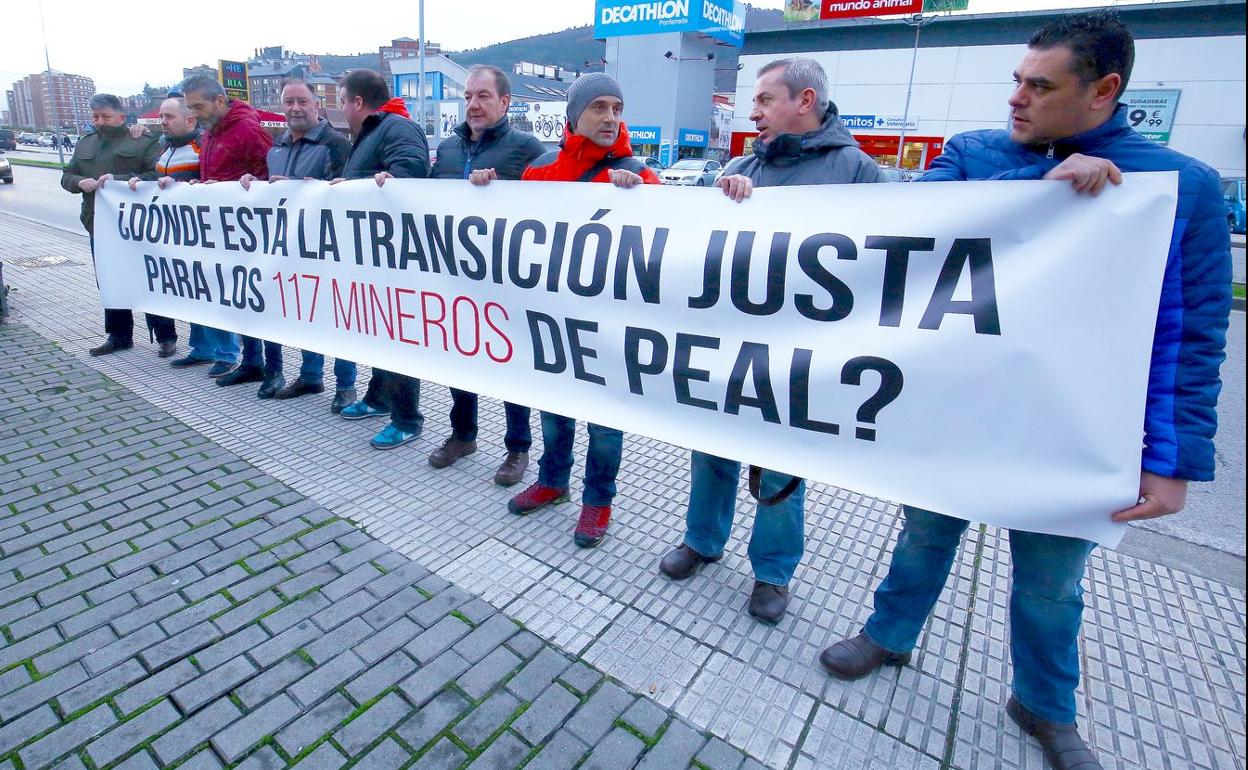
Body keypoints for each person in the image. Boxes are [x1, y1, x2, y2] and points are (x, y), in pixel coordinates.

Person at [817, 13, 1230, 770]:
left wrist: (1174, 462)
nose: (1018, 99)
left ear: (1104, 91)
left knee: (1051, 583)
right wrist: (1036, 189)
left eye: (1041, 86)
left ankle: (1044, 704)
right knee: (924, 536)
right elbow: (914, 228)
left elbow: (1192, 338)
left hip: (1070, 431)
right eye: (1017, 80)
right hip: (954, 416)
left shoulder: (1184, 189)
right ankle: (889, 636)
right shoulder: (973, 153)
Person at [656, 58, 882, 624]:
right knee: (710, 448)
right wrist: (718, 194)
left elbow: (900, 247)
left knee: (782, 467)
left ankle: (772, 573)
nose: (751, 112)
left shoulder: (857, 171)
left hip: (803, 354)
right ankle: (703, 541)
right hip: (732, 343)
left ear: (805, 101)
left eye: (763, 99)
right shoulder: (741, 163)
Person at [492, 72, 660, 548]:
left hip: (609, 329)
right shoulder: (541, 171)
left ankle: (598, 501)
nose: (611, 117)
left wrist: (644, 200)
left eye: (617, 108)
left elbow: (669, 252)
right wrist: (484, 188)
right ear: (573, 116)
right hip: (552, 320)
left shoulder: (638, 174)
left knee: (605, 423)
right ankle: (553, 480)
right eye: (600, 107)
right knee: (554, 410)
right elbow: (509, 230)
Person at [427, 65, 545, 486]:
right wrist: (387, 185)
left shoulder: (527, 147)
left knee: (514, 365)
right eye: (469, 97)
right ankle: (463, 435)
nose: (474, 105)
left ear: (505, 102)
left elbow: (553, 204)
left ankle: (518, 448)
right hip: (458, 278)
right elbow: (424, 198)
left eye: (483, 96)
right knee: (461, 357)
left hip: (508, 281)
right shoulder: (449, 148)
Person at [238, 78, 356, 411]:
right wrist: (254, 184)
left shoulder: (335, 144)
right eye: (288, 102)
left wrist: (300, 188)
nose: (295, 108)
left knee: (337, 320)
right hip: (291, 248)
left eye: (302, 101)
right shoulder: (277, 147)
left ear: (315, 105)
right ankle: (310, 375)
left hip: (328, 249)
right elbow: (273, 190)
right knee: (304, 315)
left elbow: (345, 192)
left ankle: (346, 385)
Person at [332, 70, 431, 449]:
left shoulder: (397, 129)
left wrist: (361, 189)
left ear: (357, 102)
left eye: (342, 101)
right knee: (378, 331)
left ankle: (407, 419)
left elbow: (407, 181)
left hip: (396, 257)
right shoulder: (375, 131)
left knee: (399, 337)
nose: (341, 109)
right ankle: (378, 397)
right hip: (373, 256)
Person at [180, 74, 277, 390]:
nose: (194, 114)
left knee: (254, 300)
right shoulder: (211, 133)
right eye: (190, 108)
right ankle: (251, 361)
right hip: (222, 233)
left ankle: (260, 363)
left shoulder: (248, 130)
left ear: (219, 101)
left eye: (198, 106)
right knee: (238, 299)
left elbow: (268, 179)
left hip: (247, 233)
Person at [59, 93, 168, 357]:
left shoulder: (141, 141)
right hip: (99, 224)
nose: (101, 122)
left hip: (137, 227)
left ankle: (165, 335)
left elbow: (156, 174)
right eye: (96, 117)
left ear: (121, 117)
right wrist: (78, 183)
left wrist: (118, 180)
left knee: (150, 278)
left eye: (106, 117)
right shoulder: (85, 143)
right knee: (109, 281)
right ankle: (119, 335)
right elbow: (67, 176)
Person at [125, 96, 222, 371]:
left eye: (169, 117)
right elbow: (159, 184)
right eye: (162, 117)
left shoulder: (202, 146)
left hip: (202, 236)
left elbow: (209, 181)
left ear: (190, 119)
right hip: (175, 237)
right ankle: (202, 347)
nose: (163, 122)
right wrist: (139, 182)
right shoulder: (164, 149)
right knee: (190, 294)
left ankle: (219, 347)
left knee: (205, 293)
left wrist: (186, 185)